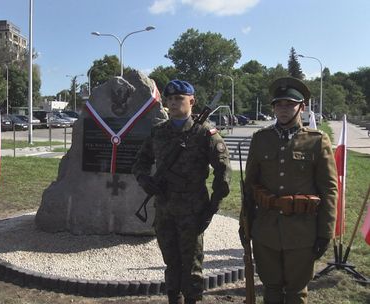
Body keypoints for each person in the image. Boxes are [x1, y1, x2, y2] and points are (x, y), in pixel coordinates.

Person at [132, 80, 231, 304]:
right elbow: (140, 162)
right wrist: (146, 181)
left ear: (192, 101)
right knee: (171, 263)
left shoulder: (205, 134)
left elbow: (223, 173)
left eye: (179, 99)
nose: (174, 103)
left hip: (192, 210)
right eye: (170, 99)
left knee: (192, 267)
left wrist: (211, 208)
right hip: (164, 208)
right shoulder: (159, 132)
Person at [241, 77, 338, 304]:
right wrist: (245, 223)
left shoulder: (316, 141)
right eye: (279, 104)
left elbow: (329, 189)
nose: (283, 109)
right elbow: (249, 186)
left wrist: (325, 232)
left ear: (301, 107)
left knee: (296, 292)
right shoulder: (260, 139)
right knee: (271, 288)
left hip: (302, 231)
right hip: (266, 229)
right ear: (273, 107)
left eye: (290, 104)